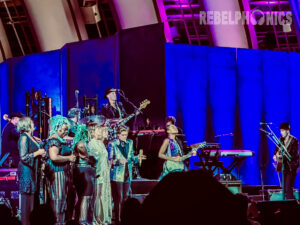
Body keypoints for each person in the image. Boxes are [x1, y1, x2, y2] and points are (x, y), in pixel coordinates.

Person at [107, 125, 146, 224]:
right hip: (117, 174)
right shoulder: (112, 144)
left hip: (127, 172)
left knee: (125, 197)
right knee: (118, 198)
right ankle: (118, 219)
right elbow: (109, 160)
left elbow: (131, 157)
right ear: (118, 134)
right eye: (123, 135)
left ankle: (125, 218)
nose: (125, 137)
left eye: (126, 135)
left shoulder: (130, 142)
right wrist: (117, 161)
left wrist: (137, 158)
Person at [44, 115, 76, 224]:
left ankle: (60, 221)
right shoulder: (54, 140)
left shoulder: (59, 139)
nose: (66, 132)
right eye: (64, 130)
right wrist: (69, 158)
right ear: (57, 128)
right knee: (58, 199)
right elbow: (54, 157)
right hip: (57, 172)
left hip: (62, 172)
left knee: (62, 199)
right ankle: (57, 222)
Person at [17, 117, 46, 225]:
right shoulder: (24, 137)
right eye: (32, 122)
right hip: (26, 171)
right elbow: (23, 157)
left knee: (33, 199)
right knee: (27, 200)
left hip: (33, 170)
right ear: (28, 124)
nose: (34, 124)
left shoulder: (30, 136)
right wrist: (37, 153)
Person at [88, 121, 112, 225]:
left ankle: (103, 217)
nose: (100, 131)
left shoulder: (100, 143)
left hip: (104, 172)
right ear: (92, 131)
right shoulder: (91, 143)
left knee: (103, 195)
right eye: (98, 129)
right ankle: (96, 218)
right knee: (97, 196)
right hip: (97, 173)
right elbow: (93, 160)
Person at [273, 122, 299, 199]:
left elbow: (294, 155)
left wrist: (281, 156)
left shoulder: (294, 140)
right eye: (280, 131)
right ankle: (287, 204)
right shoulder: (281, 139)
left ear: (287, 130)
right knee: (284, 189)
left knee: (288, 188)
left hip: (291, 167)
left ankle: (292, 206)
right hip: (284, 167)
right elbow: (277, 149)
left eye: (282, 131)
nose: (281, 132)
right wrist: (275, 155)